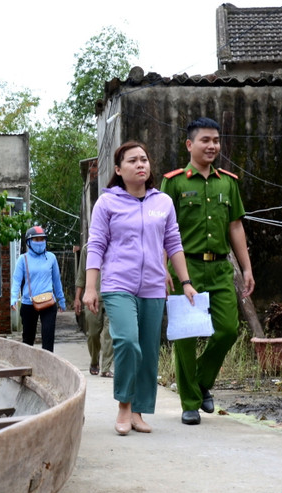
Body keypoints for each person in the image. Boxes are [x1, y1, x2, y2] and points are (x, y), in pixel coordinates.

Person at [84, 140, 196, 436]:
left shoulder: (163, 203)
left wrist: (185, 282)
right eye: (132, 161)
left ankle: (139, 411)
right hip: (118, 284)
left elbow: (173, 243)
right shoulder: (107, 202)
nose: (140, 164)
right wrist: (90, 288)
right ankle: (123, 404)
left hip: (153, 287)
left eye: (144, 159)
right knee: (127, 342)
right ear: (119, 170)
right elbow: (96, 245)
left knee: (147, 351)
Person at [161, 117, 255, 426]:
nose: (212, 145)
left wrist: (246, 267)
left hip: (218, 268)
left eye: (216, 140)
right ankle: (189, 402)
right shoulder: (174, 182)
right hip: (184, 265)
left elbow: (236, 226)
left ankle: (200, 382)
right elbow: (163, 229)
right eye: (205, 140)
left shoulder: (227, 182)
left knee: (227, 329)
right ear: (190, 145)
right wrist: (163, 268)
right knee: (186, 335)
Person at [11, 225, 66, 352]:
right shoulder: (23, 259)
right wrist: (14, 298)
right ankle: (27, 366)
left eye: (42, 239)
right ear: (29, 242)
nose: (40, 242)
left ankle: (47, 369)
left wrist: (61, 300)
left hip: (48, 302)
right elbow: (16, 280)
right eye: (36, 240)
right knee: (28, 340)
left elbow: (56, 280)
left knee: (48, 338)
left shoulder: (51, 257)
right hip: (28, 303)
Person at [73, 243, 114, 377]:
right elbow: (82, 275)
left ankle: (106, 367)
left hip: (113, 295)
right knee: (93, 334)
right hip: (93, 297)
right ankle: (94, 360)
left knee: (110, 333)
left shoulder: (117, 244)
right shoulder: (88, 248)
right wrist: (77, 298)